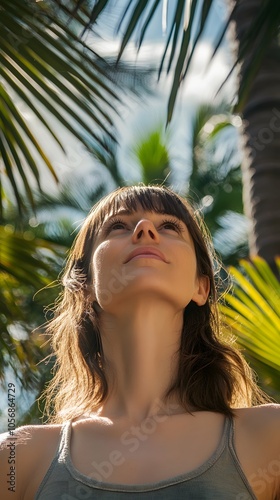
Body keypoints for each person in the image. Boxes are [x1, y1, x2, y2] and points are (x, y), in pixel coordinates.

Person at [0, 184, 279, 500]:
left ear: (201, 287)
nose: (145, 230)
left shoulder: (271, 436)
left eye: (169, 226)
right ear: (86, 286)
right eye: (118, 226)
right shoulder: (17, 458)